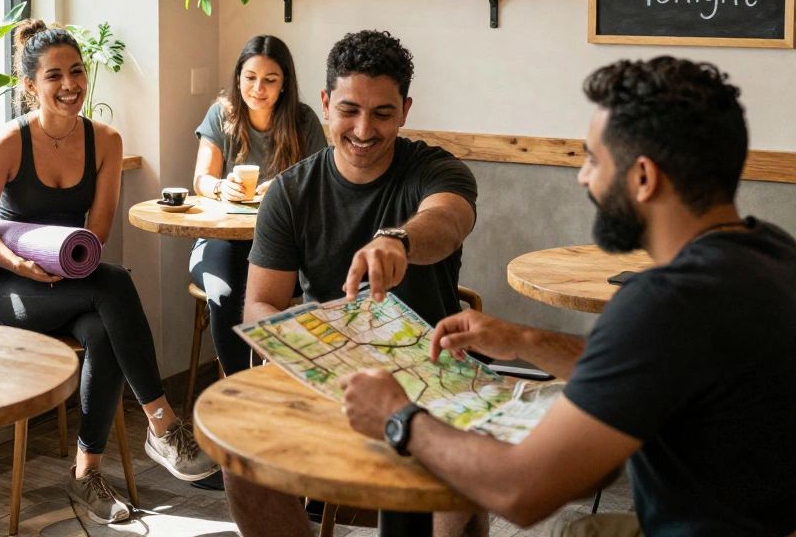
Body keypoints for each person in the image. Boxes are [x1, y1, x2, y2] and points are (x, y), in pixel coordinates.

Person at [340, 56, 796, 537]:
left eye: (594, 159)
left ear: (644, 178)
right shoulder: (771, 251)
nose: (582, 177)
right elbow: (645, 364)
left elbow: (520, 492)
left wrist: (398, 417)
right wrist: (522, 340)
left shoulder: (665, 303)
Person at [0, 20, 216, 524]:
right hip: (14, 289)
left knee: (103, 327)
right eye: (54, 76)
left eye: (77, 71)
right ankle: (162, 424)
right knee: (115, 282)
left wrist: (66, 266)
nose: (70, 84)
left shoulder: (106, 142)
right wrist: (16, 262)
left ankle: (86, 475)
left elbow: (95, 234)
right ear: (30, 85)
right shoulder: (8, 142)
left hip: (76, 279)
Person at [228, 29, 481, 537]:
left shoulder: (435, 170)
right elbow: (259, 304)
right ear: (325, 104)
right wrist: (312, 342)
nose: (364, 129)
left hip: (428, 379)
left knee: (460, 474)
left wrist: (399, 241)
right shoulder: (290, 192)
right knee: (242, 461)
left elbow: (449, 221)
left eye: (382, 113)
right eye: (349, 110)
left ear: (405, 111)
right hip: (331, 379)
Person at [189, 35, 328, 375]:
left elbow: (321, 187)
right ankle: (240, 387)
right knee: (225, 295)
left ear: (285, 84)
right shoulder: (221, 114)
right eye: (250, 77)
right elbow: (201, 179)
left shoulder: (304, 121)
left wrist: (283, 193)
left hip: (283, 246)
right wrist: (221, 186)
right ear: (238, 77)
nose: (258, 88)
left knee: (270, 298)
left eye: (270, 79)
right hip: (220, 239)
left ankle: (270, 381)